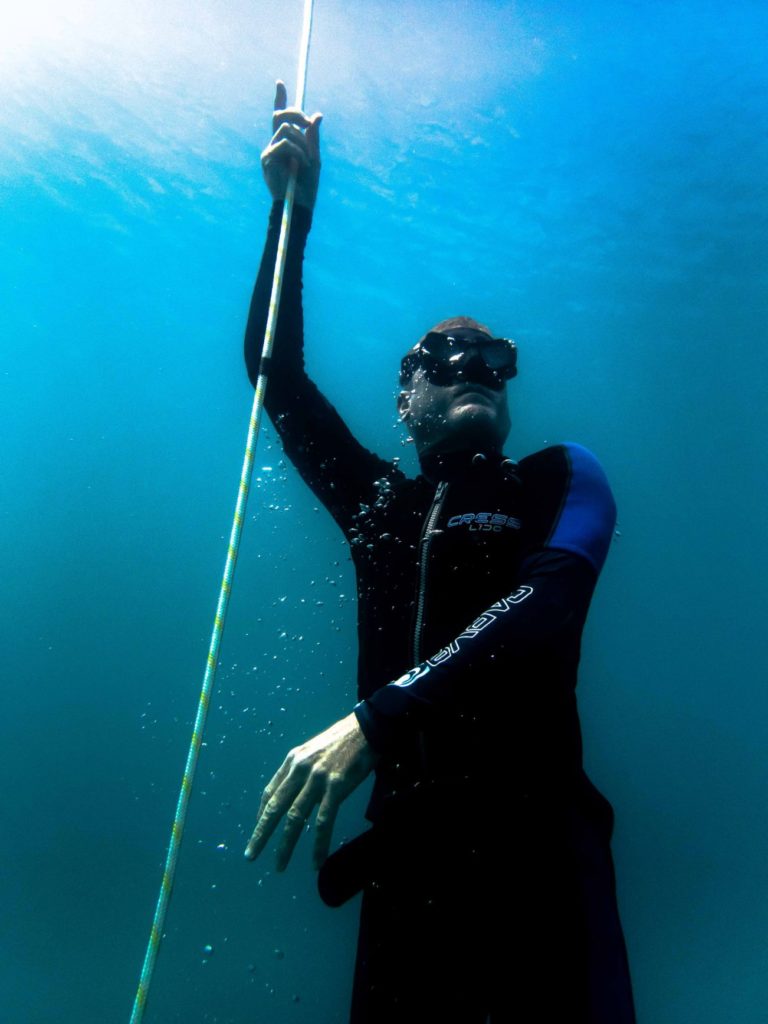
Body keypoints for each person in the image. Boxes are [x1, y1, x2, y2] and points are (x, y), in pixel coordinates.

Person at [243, 81, 636, 1024]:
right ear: (404, 400)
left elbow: (548, 604)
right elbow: (276, 376)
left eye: (494, 360)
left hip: (538, 846)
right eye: (443, 357)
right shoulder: (379, 502)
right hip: (407, 861)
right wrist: (292, 218)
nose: (476, 369)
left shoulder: (556, 477)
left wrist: (376, 719)